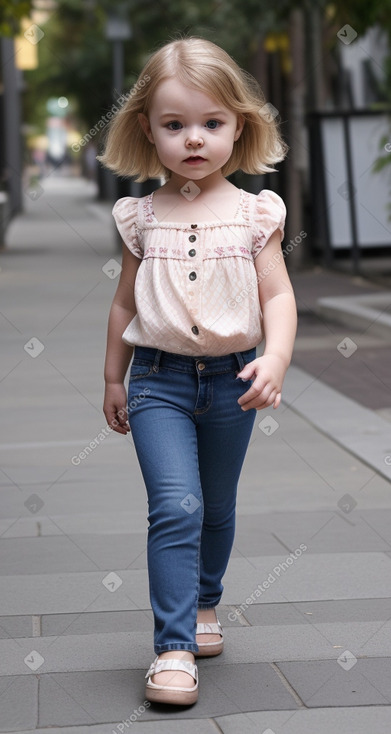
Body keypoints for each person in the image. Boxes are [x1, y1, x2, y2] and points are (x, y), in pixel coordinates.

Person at [99, 36, 297, 706]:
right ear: (146, 130)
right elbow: (124, 302)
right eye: (174, 124)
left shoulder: (253, 213)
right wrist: (110, 379)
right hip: (156, 380)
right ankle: (172, 647)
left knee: (214, 506)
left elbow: (276, 296)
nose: (193, 140)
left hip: (233, 379)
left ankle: (206, 602)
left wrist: (272, 357)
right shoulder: (141, 217)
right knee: (176, 506)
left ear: (238, 126)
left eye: (211, 123)